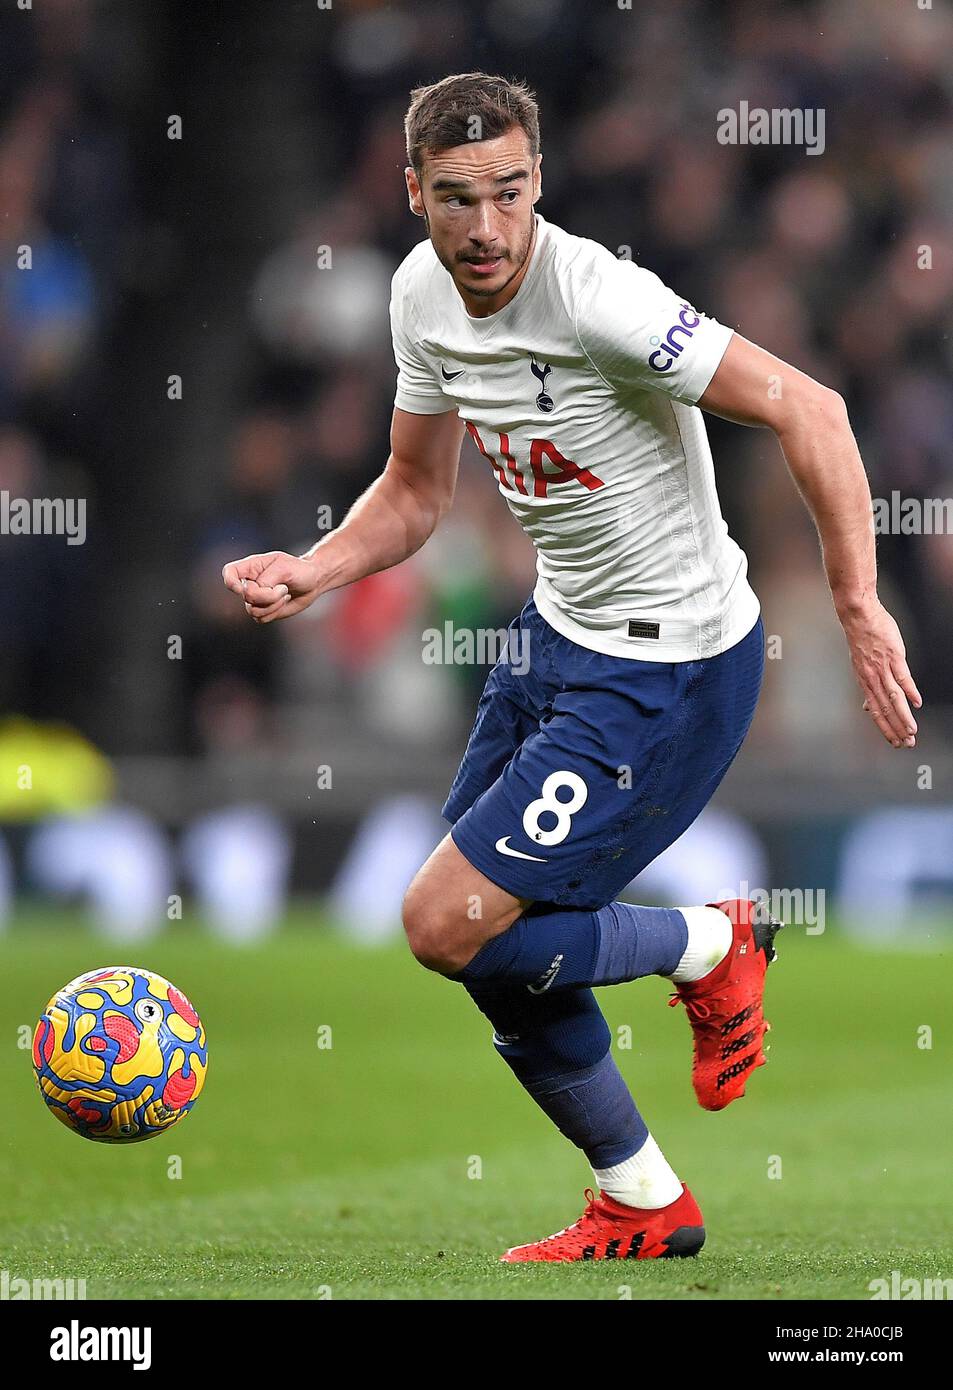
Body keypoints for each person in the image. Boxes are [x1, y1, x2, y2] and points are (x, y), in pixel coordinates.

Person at [222, 73, 921, 1263]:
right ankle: (643, 1197)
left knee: (447, 921)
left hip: (672, 670)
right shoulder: (416, 297)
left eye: (506, 193)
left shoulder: (599, 296)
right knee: (486, 940)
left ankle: (711, 943)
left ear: (537, 183)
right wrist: (320, 567)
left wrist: (856, 604)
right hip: (554, 641)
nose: (484, 227)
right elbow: (413, 490)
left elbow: (813, 410)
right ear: (414, 196)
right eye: (455, 199)